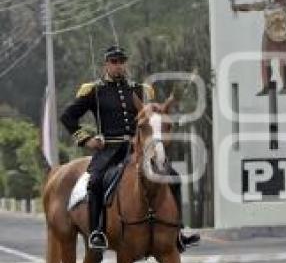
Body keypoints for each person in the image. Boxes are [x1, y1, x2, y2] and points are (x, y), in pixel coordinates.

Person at [60, 45, 200, 252]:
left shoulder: (141, 90)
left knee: (173, 178)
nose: (118, 66)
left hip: (139, 148)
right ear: (106, 64)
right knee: (96, 181)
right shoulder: (94, 91)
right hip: (110, 148)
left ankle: (177, 232)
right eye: (114, 62)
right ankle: (97, 231)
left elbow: (152, 116)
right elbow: (67, 117)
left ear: (126, 63)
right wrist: (86, 139)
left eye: (121, 61)